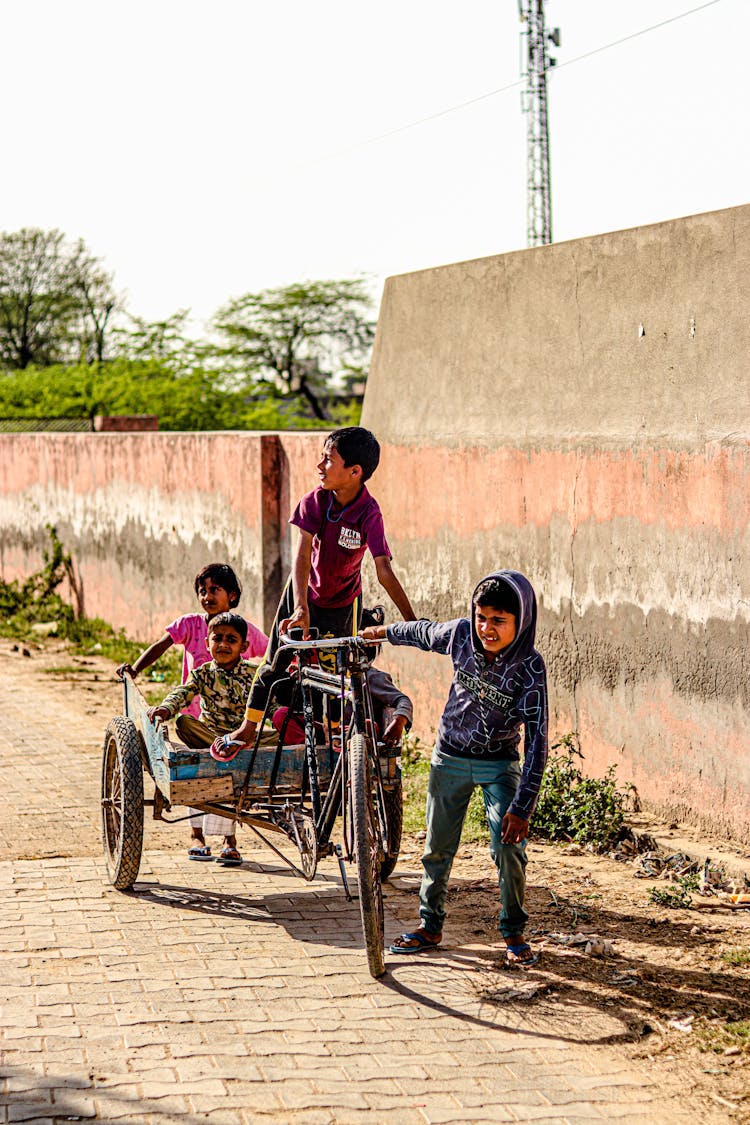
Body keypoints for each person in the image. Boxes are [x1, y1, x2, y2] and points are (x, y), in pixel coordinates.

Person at [361, 569, 548, 968]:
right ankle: (430, 926)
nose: (487, 629)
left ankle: (514, 931)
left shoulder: (531, 667)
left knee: (508, 846)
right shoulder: (462, 634)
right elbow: (423, 633)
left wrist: (522, 806)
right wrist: (384, 633)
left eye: (499, 620)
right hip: (449, 757)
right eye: (482, 617)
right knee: (437, 849)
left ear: (521, 620)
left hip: (499, 764)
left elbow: (538, 742)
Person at [221, 427, 415, 756]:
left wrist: (411, 621)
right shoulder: (315, 501)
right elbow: (300, 558)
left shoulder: (369, 513)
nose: (320, 466)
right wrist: (300, 608)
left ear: (355, 472)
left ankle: (336, 732)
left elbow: (384, 569)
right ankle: (249, 728)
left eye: (328, 460)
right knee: (276, 663)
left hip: (345, 604)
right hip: (302, 595)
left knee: (340, 671)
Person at [147, 612, 257, 866]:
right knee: (185, 723)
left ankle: (230, 842)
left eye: (231, 639)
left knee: (270, 739)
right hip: (210, 740)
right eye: (217, 638)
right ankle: (197, 837)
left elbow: (271, 706)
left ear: (244, 647)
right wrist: (166, 708)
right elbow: (182, 693)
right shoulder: (202, 674)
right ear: (207, 644)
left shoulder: (254, 675)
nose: (223, 645)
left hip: (243, 740)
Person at [116, 562, 268, 720]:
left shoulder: (246, 631)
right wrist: (135, 669)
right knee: (184, 724)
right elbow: (160, 646)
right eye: (203, 591)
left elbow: (274, 653)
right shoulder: (189, 625)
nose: (207, 597)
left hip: (236, 720)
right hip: (197, 718)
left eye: (214, 590)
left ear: (232, 595)